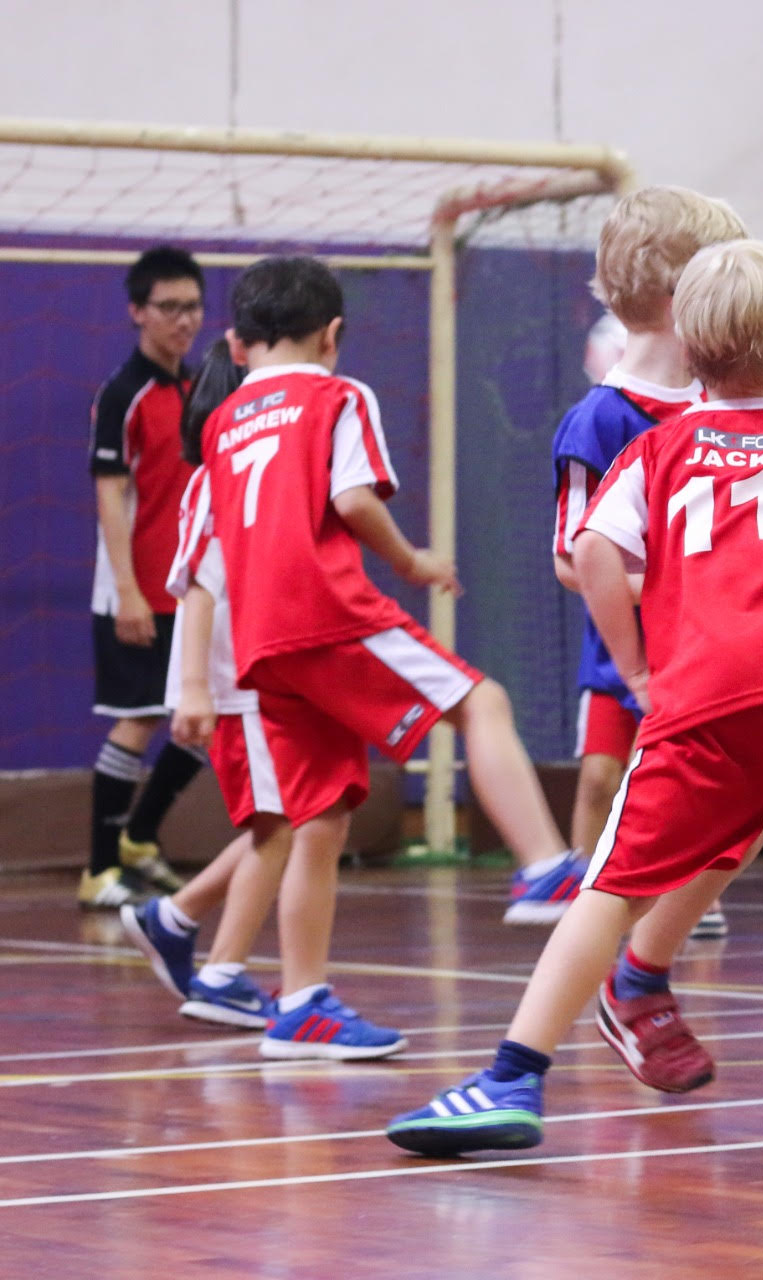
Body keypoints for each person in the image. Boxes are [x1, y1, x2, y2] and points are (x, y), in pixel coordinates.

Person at [386, 239, 763, 1156]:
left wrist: (637, 665)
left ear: (690, 347)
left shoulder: (657, 452)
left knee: (611, 884)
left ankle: (510, 1079)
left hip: (702, 695)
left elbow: (592, 555)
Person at [196, 255, 580, 1054]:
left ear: (243, 343)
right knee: (482, 702)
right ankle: (544, 864)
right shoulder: (339, 395)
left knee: (321, 818)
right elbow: (351, 499)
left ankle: (301, 1003)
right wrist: (411, 562)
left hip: (259, 640)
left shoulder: (221, 422)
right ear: (332, 333)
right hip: (324, 610)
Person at [551, 186, 748, 938]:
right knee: (605, 774)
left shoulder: (726, 411)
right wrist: (670, 581)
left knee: (715, 789)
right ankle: (583, 883)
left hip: (708, 653)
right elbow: (574, 560)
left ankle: (682, 903)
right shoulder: (600, 418)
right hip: (623, 649)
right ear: (681, 297)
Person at [120, 342, 284, 1032]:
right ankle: (223, 972)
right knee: (284, 825)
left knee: (288, 819)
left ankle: (175, 915)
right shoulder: (228, 480)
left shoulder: (230, 477)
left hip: (240, 675)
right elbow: (197, 588)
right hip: (229, 678)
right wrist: (193, 687)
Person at [82, 247, 208, 909]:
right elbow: (110, 497)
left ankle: (140, 837)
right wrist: (128, 591)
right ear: (138, 312)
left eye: (192, 306)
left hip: (189, 589)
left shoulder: (198, 388)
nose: (182, 320)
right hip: (132, 587)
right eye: (168, 307)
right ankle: (99, 869)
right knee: (136, 721)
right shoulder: (122, 395)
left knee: (201, 720)